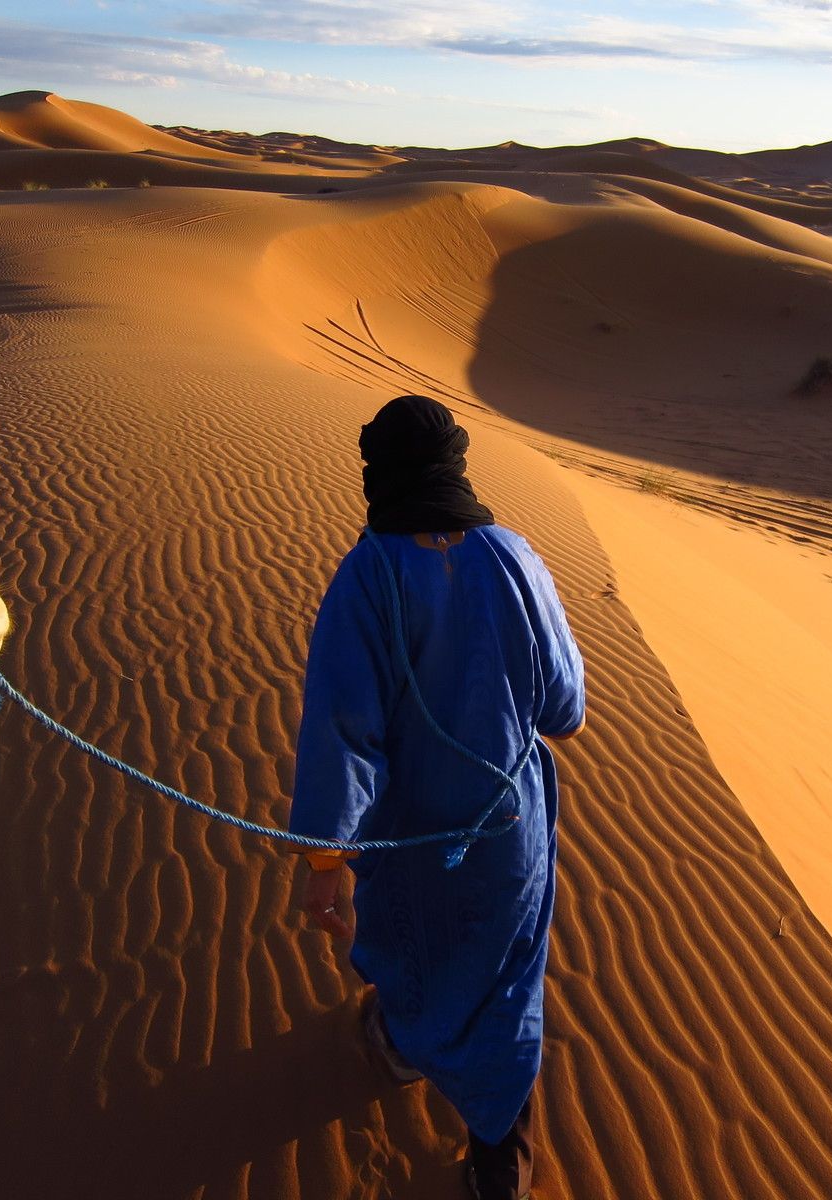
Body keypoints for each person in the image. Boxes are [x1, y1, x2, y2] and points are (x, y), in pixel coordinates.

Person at [289, 395, 585, 1200]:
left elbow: (341, 738)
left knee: (414, 948)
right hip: (507, 836)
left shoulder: (365, 578)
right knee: (507, 986)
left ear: (376, 476)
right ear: (454, 465)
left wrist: (325, 860)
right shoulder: (515, 557)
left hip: (409, 838)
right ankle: (501, 1164)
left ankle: (400, 1050)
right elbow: (566, 709)